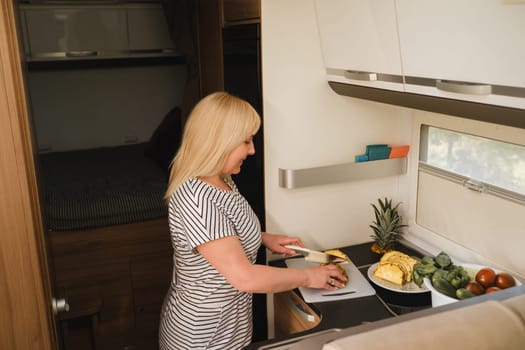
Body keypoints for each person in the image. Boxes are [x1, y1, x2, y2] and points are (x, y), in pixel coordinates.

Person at [158, 92, 347, 350]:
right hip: (204, 337)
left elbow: (223, 231)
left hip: (229, 330)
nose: (252, 149)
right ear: (218, 142)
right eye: (246, 141)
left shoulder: (222, 180)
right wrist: (308, 277)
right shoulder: (197, 199)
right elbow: (245, 278)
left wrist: (264, 238)